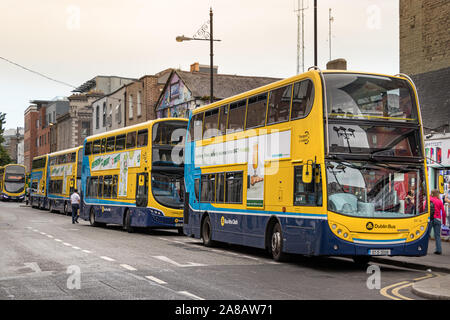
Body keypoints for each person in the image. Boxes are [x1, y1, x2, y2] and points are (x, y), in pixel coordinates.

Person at [429, 189, 444, 255]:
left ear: (432, 194)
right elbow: (443, 212)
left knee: (426, 235)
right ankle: (439, 250)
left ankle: (422, 249)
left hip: (430, 219)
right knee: (437, 236)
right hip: (438, 219)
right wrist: (443, 222)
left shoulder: (429, 200)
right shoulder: (440, 201)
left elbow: (424, 207)